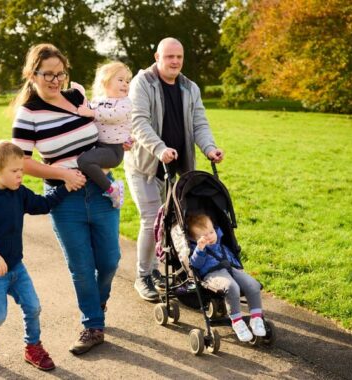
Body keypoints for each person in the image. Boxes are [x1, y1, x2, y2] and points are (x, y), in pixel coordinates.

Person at [11, 43, 122, 355]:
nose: (55, 80)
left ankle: (96, 302)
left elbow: (98, 130)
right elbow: (22, 161)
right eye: (48, 74)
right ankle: (92, 324)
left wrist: (116, 143)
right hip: (65, 198)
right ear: (32, 75)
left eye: (60, 73)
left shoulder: (76, 96)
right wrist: (63, 175)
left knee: (110, 260)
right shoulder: (28, 113)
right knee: (82, 266)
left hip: (101, 189)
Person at [124, 37, 225, 301]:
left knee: (174, 221)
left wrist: (209, 149)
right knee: (150, 220)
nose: (175, 61)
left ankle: (170, 271)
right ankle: (143, 276)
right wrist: (159, 149)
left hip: (176, 170)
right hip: (145, 166)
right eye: (169, 56)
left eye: (179, 56)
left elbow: (199, 123)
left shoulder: (190, 87)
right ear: (157, 57)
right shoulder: (142, 83)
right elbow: (138, 122)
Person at [0, 140, 70, 370]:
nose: (21, 175)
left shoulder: (18, 193)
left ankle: (33, 347)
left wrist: (65, 187)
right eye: (15, 171)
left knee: (33, 307)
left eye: (22, 170)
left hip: (16, 268)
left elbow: (42, 204)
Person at [187, 213, 266, 342]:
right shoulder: (197, 249)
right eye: (204, 235)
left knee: (253, 284)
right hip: (213, 274)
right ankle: (237, 322)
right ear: (195, 238)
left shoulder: (220, 242)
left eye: (212, 232)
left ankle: (256, 318)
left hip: (231, 269)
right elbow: (195, 265)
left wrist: (238, 268)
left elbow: (231, 257)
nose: (210, 237)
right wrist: (200, 249)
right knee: (231, 287)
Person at [74, 61, 133, 208]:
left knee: (84, 161)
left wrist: (92, 113)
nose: (125, 84)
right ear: (105, 83)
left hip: (113, 150)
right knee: (84, 163)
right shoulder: (97, 101)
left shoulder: (125, 103)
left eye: (127, 81)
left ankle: (113, 190)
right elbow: (86, 111)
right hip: (99, 146)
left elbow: (114, 115)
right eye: (120, 80)